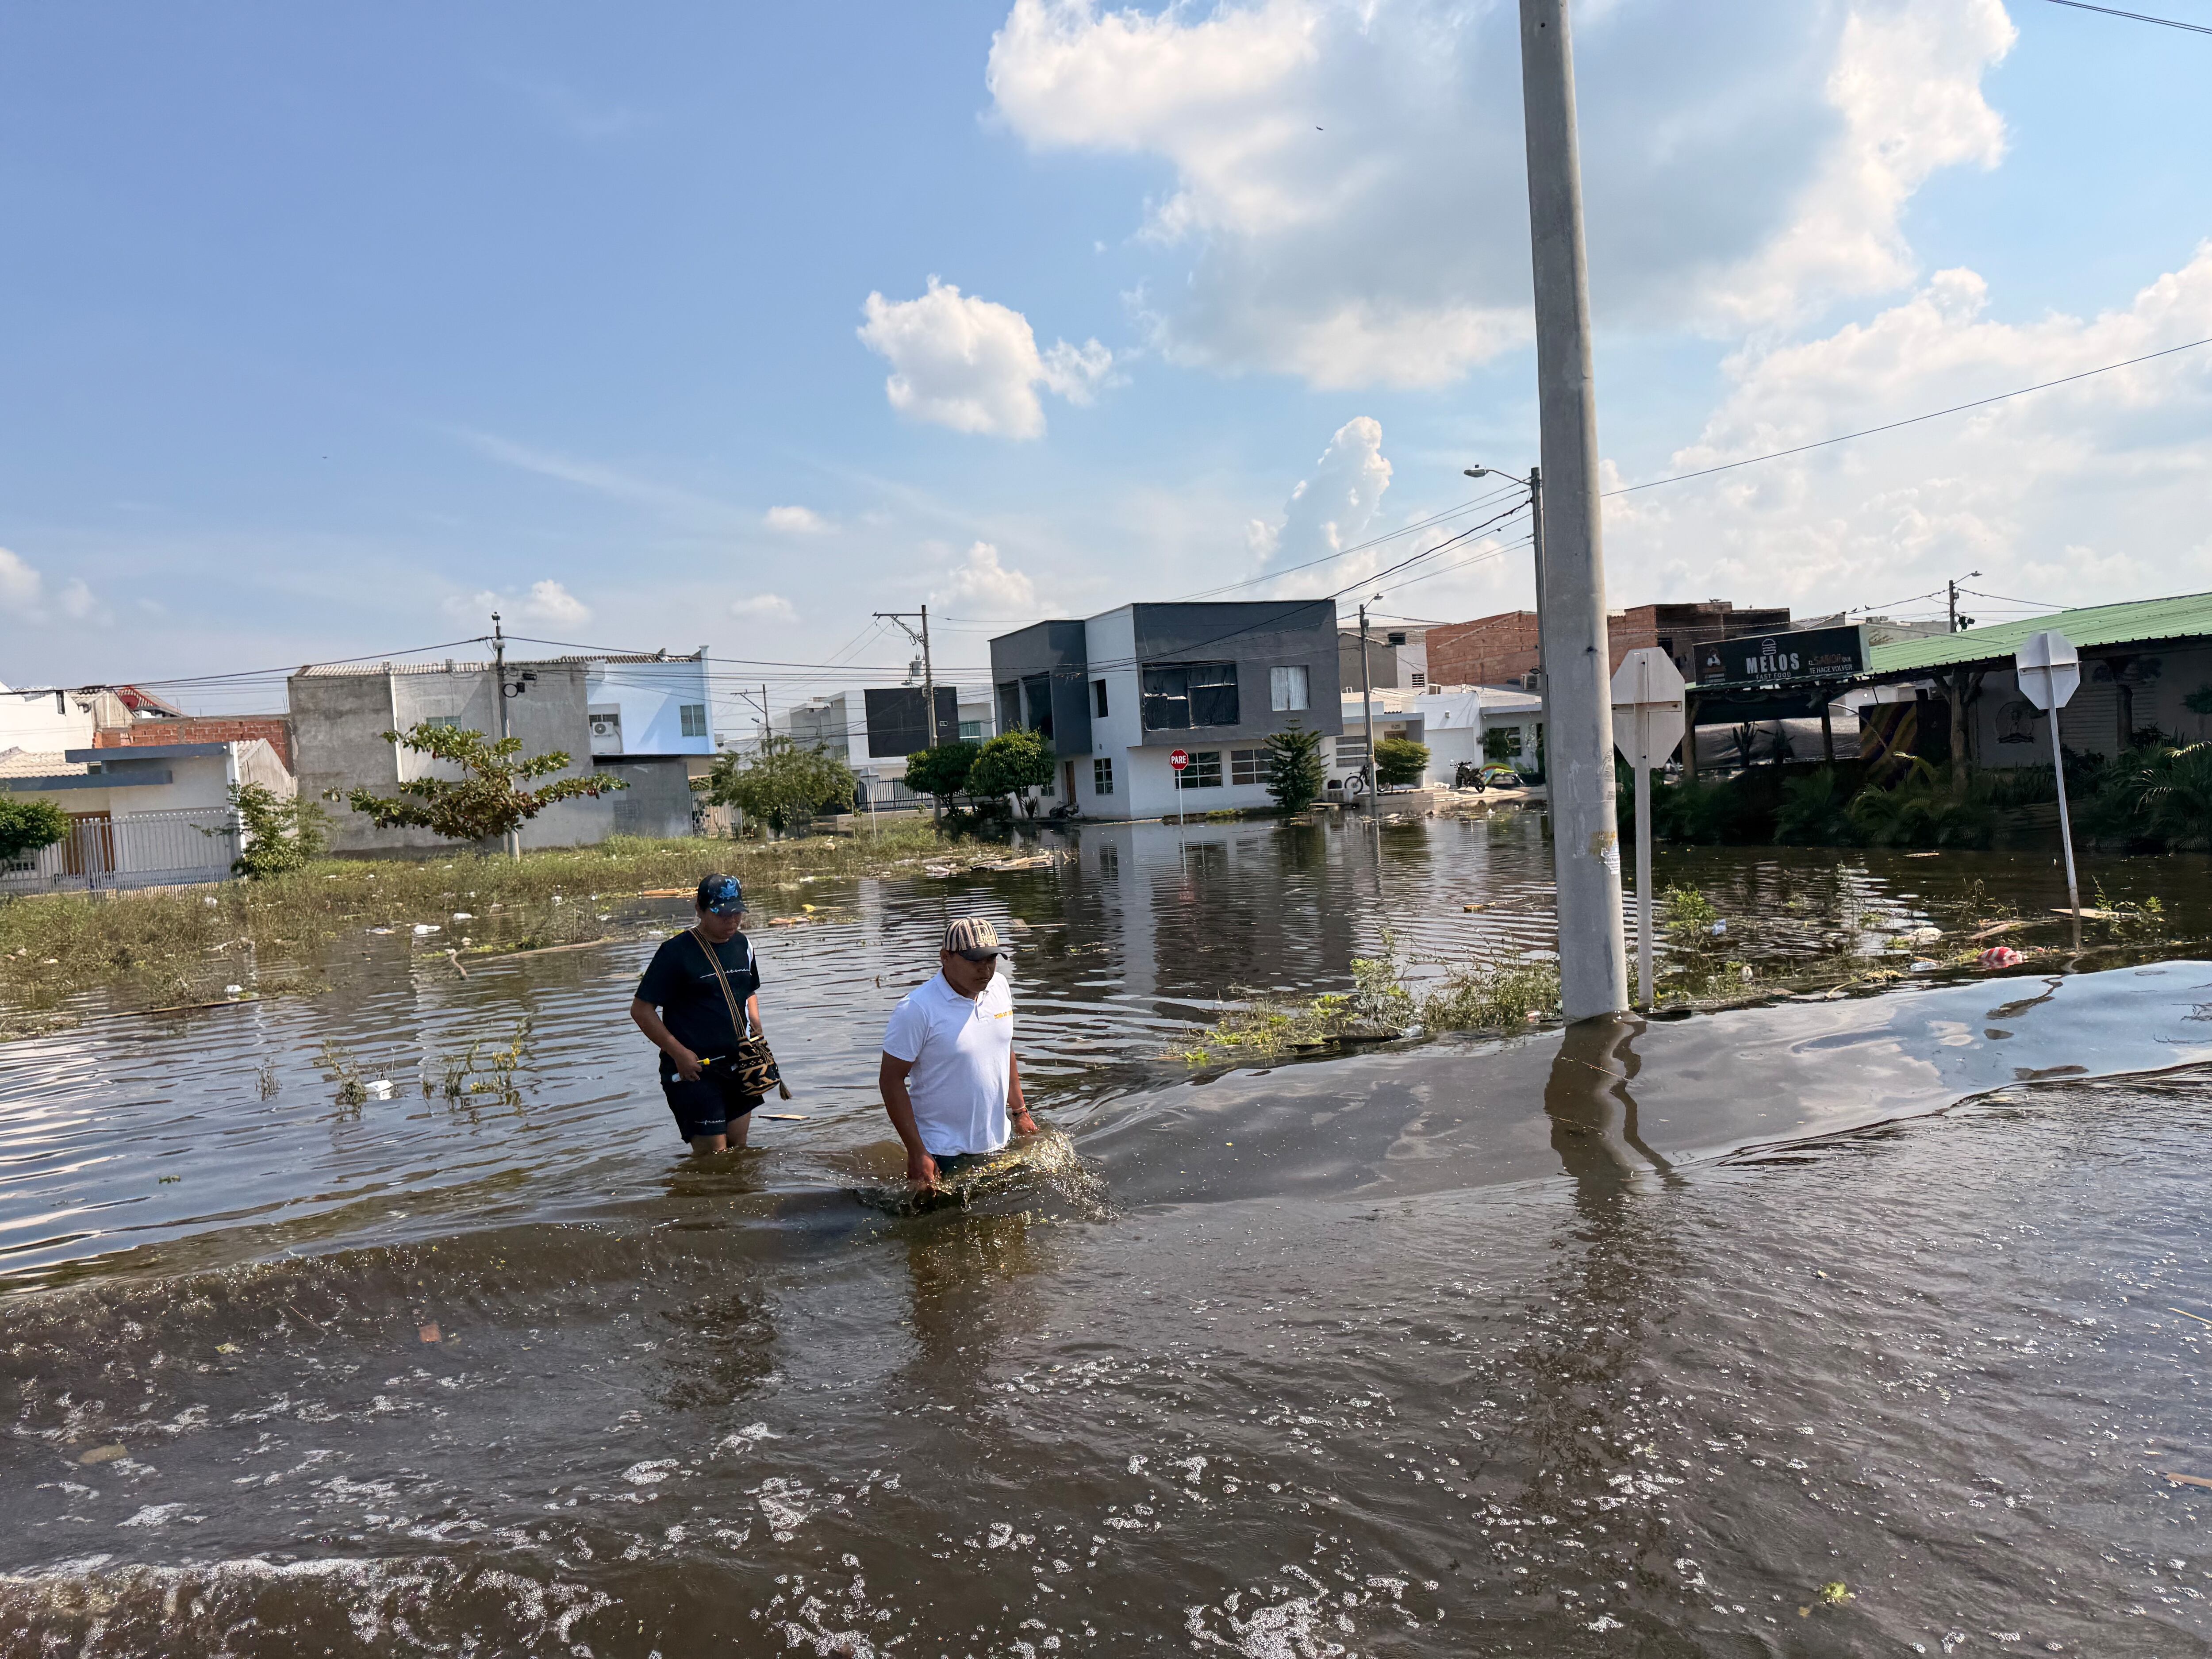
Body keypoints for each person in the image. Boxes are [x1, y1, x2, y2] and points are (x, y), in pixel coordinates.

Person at [879, 917, 1036, 1189]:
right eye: (975, 961)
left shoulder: (999, 987)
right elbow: (891, 1080)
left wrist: (1020, 1112)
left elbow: (1004, 1048)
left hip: (1000, 1140)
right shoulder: (917, 1009)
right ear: (945, 958)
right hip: (944, 1152)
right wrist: (918, 1152)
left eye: (991, 960)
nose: (985, 970)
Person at [631, 873, 766, 1156]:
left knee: (739, 1151)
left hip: (739, 1065)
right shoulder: (675, 953)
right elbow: (641, 1010)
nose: (732, 921)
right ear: (699, 910)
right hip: (693, 1071)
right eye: (722, 914)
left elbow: (749, 990)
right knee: (713, 1160)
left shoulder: (744, 946)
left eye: (737, 914)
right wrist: (679, 1054)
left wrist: (757, 1029)